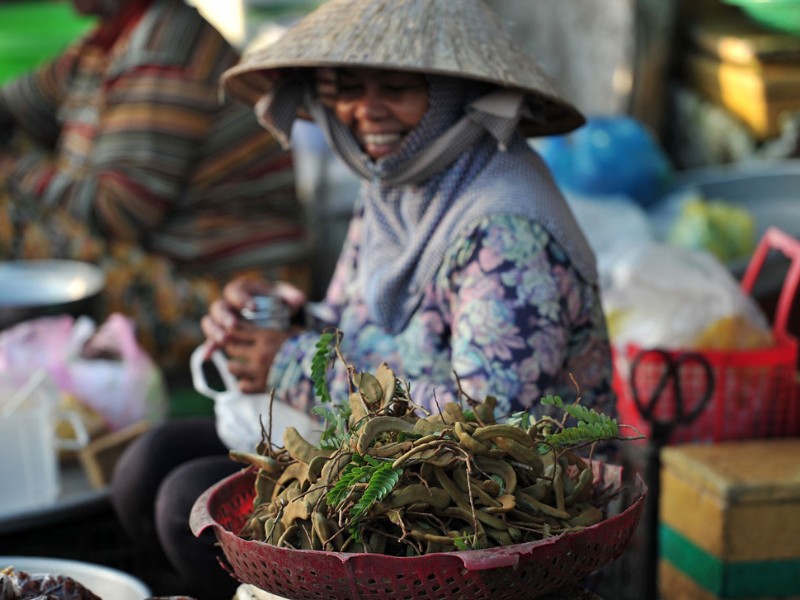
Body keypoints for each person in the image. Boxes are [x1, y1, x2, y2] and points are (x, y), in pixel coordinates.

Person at [113, 0, 617, 597]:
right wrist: (281, 321)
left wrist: (290, 361)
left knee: (186, 505)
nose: (366, 111)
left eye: (399, 88)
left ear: (456, 92)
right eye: (346, 88)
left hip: (479, 512)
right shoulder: (399, 181)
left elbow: (489, 425)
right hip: (384, 452)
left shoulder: (508, 231)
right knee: (152, 460)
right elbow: (359, 327)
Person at [0, 0, 309, 373]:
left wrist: (13, 169)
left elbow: (118, 210)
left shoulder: (164, 49)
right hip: (155, 263)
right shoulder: (100, 46)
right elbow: (14, 107)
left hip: (216, 297)